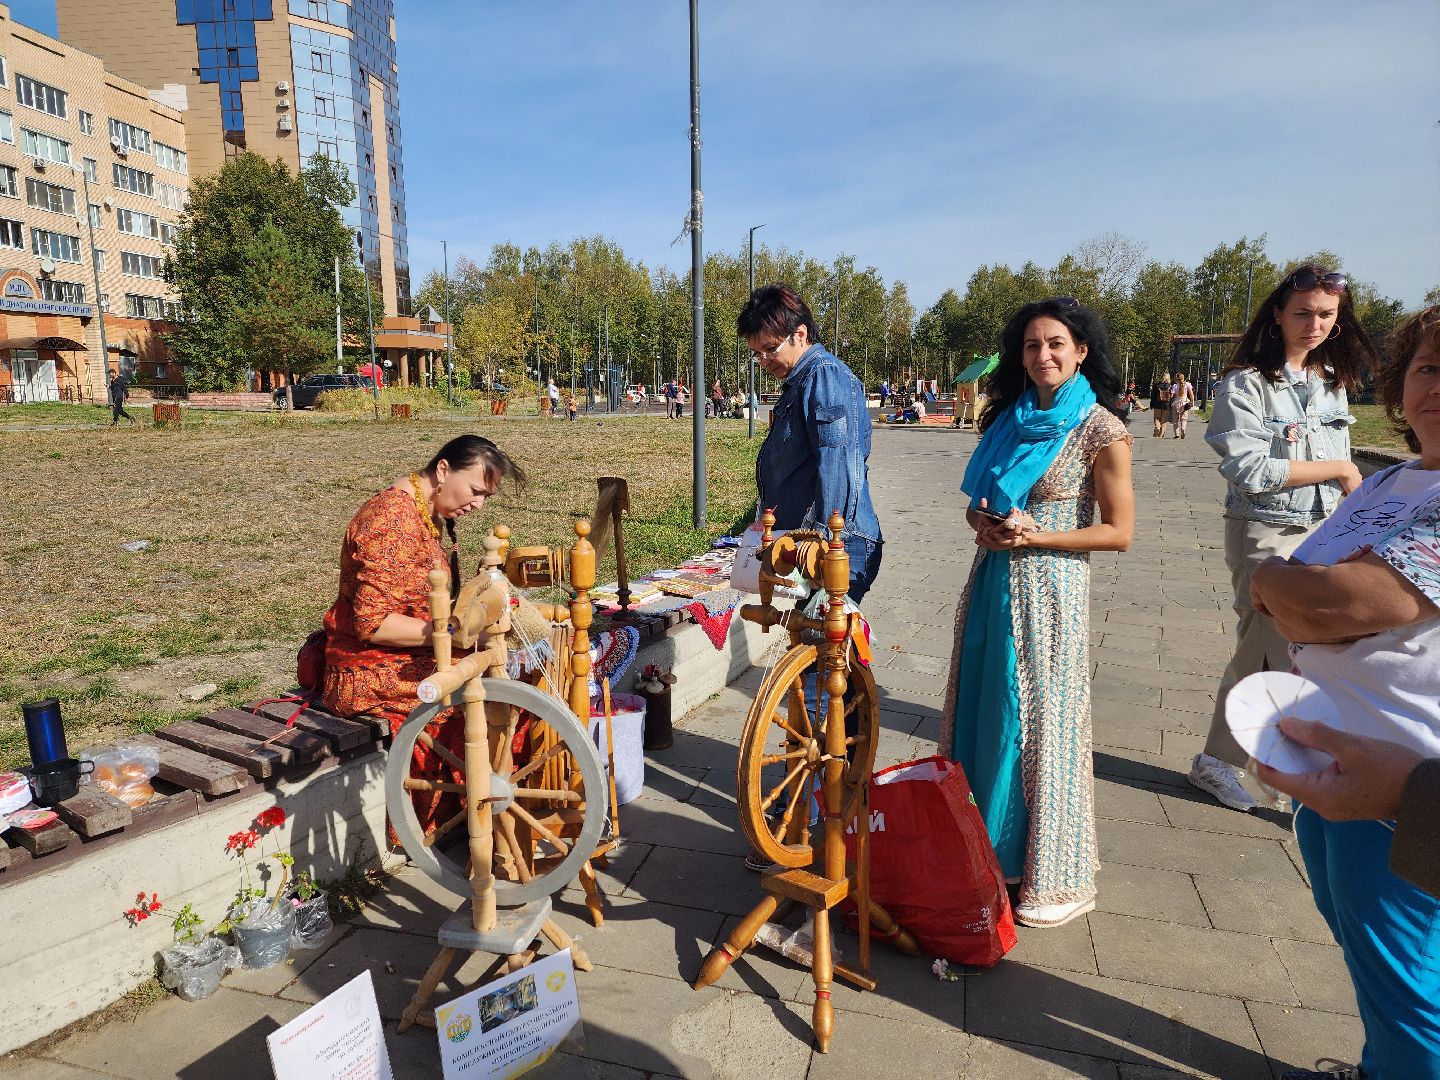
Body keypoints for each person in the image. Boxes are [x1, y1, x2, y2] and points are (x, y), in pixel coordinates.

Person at [1248, 304, 1440, 1080]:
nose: (1438, 386)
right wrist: (1293, 590)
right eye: (1429, 367)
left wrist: (1268, 580)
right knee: (1358, 933)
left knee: (1404, 978)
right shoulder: (1393, 480)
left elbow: (1326, 601)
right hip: (1336, 752)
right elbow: (1317, 588)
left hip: (1407, 773)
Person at [938, 297, 1134, 928]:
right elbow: (977, 505)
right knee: (987, 710)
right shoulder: (1008, 419)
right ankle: (982, 851)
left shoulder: (1101, 430)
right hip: (994, 582)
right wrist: (986, 527)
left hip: (1051, 593)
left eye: (1055, 344)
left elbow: (1119, 532)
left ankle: (1052, 874)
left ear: (1080, 351)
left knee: (1041, 721)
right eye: (1031, 346)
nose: (1042, 356)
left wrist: (1037, 537)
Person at [1190, 265, 1378, 812]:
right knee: (1269, 644)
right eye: (1302, 312)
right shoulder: (1246, 383)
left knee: (1306, 651)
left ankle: (1275, 765)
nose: (1313, 324)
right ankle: (1222, 763)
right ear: (1277, 313)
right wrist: (1338, 468)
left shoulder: (1329, 384)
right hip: (1266, 527)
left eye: (1326, 315)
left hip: (1324, 529)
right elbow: (1248, 467)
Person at [739, 283, 884, 871]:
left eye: (770, 348)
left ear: (801, 334)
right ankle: (815, 810)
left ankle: (828, 818)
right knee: (816, 681)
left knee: (827, 683)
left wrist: (828, 545)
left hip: (833, 548)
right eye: (757, 352)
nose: (764, 360)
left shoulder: (825, 379)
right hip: (803, 545)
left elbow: (837, 466)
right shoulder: (799, 381)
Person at [320, 435, 526, 835]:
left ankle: (488, 820)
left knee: (513, 679)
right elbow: (373, 624)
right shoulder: (390, 520)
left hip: (403, 652)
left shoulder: (425, 512)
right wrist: (452, 636)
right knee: (483, 700)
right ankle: (476, 826)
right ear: (444, 470)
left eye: (486, 496)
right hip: (365, 671)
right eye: (476, 491)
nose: (479, 504)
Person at [1169, 371, 1196, 438]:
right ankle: (1183, 429)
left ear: (1176, 379)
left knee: (1175, 420)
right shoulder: (1188, 384)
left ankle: (1177, 434)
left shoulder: (1175, 386)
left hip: (1176, 403)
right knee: (1183, 419)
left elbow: (1171, 396)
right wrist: (1192, 403)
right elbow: (1191, 394)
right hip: (1184, 404)